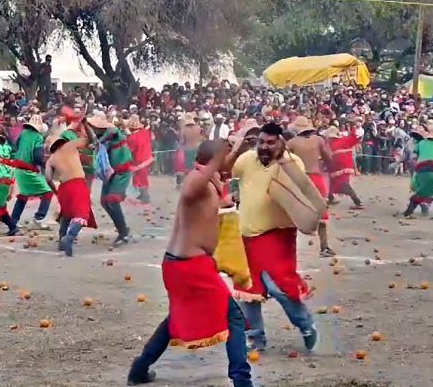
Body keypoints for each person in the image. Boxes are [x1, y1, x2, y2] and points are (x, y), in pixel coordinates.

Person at [127, 140, 252, 387]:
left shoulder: (210, 180)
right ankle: (242, 381)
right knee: (234, 317)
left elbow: (220, 175)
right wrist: (221, 155)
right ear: (213, 160)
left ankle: (139, 370)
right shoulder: (197, 180)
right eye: (224, 158)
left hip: (181, 265)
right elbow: (191, 191)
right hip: (190, 266)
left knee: (174, 319)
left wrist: (236, 149)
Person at [226, 122, 318, 354]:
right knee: (248, 290)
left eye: (270, 142)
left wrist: (282, 160)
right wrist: (237, 147)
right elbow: (226, 171)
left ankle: (306, 324)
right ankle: (255, 338)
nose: (265, 147)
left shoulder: (291, 163)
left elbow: (302, 197)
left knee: (279, 287)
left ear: (280, 142)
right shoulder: (247, 159)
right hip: (247, 234)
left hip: (277, 234)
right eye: (261, 142)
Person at [286, 116, 335, 257]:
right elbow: (329, 158)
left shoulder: (291, 143)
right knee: (322, 213)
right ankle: (324, 247)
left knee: (293, 214)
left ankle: (290, 250)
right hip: (316, 177)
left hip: (298, 179)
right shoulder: (318, 140)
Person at [45, 125, 98, 257]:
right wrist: (86, 124)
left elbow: (48, 178)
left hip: (64, 188)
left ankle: (61, 240)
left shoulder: (51, 159)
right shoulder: (71, 145)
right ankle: (69, 238)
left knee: (67, 214)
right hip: (77, 184)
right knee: (82, 214)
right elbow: (91, 140)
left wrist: (56, 192)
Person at [90, 113, 133, 246]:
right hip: (111, 174)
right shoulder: (102, 139)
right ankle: (122, 228)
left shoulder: (115, 133)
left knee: (113, 200)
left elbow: (112, 130)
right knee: (104, 201)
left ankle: (123, 234)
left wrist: (99, 141)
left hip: (121, 172)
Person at [9, 115, 54, 228]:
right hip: (28, 168)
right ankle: (39, 218)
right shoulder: (38, 137)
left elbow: (16, 146)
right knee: (48, 192)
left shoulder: (23, 133)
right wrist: (45, 164)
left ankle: (13, 220)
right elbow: (37, 156)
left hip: (18, 166)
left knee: (24, 194)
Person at [402, 125, 433, 218]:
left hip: (421, 170)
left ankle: (408, 212)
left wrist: (417, 169)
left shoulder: (421, 143)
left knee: (420, 192)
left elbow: (413, 158)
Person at [325, 125, 364, 209]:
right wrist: (353, 129)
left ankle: (357, 202)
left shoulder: (331, 144)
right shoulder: (344, 140)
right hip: (342, 166)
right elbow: (355, 138)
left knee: (343, 185)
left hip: (339, 167)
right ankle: (331, 198)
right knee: (333, 183)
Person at [126, 115, 154, 204]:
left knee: (140, 178)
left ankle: (145, 196)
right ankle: (143, 195)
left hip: (139, 160)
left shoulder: (132, 138)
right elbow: (153, 138)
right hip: (148, 157)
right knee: (142, 177)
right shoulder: (145, 132)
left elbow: (129, 150)